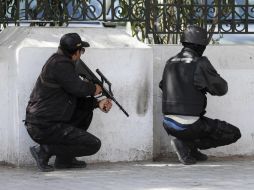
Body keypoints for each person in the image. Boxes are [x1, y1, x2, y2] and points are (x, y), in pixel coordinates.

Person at [25, 33, 112, 172]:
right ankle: (43, 150)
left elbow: (75, 99)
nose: (81, 54)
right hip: (43, 125)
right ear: (76, 53)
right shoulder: (61, 64)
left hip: (47, 121)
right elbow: (78, 88)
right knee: (94, 145)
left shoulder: (59, 62)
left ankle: (64, 160)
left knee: (85, 113)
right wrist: (94, 88)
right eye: (81, 51)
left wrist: (97, 104)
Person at [159, 25, 241, 165]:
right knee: (233, 133)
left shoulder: (170, 62)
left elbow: (162, 85)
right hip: (189, 125)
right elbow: (221, 88)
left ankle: (189, 147)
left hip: (168, 123)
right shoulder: (200, 62)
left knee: (199, 122)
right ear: (200, 45)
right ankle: (187, 145)